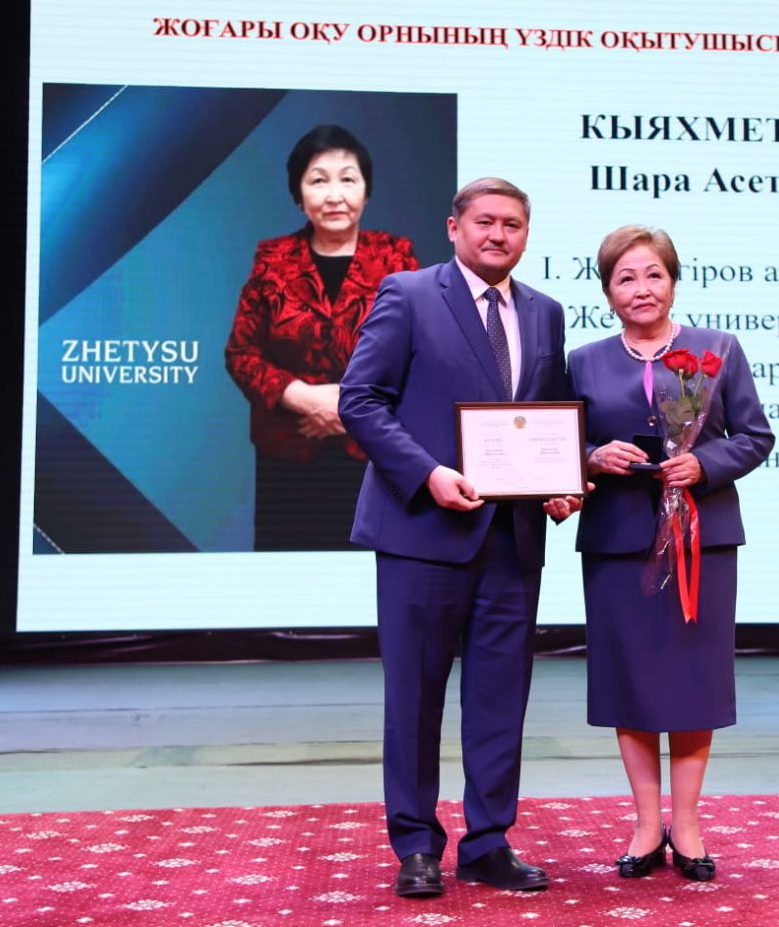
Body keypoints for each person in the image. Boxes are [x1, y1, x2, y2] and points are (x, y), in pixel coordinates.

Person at [339, 177, 580, 898]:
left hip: (512, 539)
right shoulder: (408, 294)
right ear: (454, 228)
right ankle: (415, 845)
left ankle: (489, 842)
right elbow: (360, 399)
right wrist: (427, 474)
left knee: (501, 698)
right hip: (422, 531)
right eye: (485, 222)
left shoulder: (545, 313)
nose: (498, 235)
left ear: (526, 235)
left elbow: (546, 415)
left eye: (513, 224)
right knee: (414, 699)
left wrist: (562, 479)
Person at [567, 226, 773, 879]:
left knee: (691, 681)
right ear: (608, 292)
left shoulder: (718, 349)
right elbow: (555, 443)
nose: (641, 288)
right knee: (629, 680)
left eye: (653, 274)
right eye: (625, 278)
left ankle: (687, 824)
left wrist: (704, 465)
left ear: (674, 281)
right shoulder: (583, 361)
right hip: (618, 541)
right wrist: (591, 456)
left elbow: (755, 436)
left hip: (701, 541)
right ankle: (645, 824)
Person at [225, 124, 417, 550]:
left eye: (347, 179)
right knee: (290, 573)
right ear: (298, 194)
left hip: (376, 453)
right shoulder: (272, 259)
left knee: (373, 575)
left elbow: (419, 354)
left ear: (366, 190)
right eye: (318, 180)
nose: (334, 195)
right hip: (289, 453)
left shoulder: (395, 257)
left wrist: (349, 409)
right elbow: (241, 353)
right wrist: (305, 398)